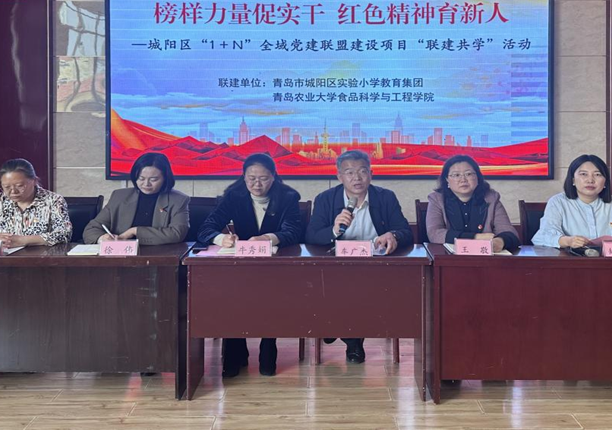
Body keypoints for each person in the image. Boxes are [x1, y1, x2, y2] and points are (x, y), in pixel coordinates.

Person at [198, 153, 304, 378]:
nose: (257, 184)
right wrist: (221, 238)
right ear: (244, 177)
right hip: (241, 265)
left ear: (273, 177)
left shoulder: (288, 197)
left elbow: (294, 232)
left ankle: (268, 347)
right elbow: (206, 228)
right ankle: (235, 350)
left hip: (275, 267)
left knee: (271, 296)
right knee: (231, 296)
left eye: (263, 179)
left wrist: (269, 238)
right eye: (251, 179)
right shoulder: (234, 195)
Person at [305, 149, 413, 364]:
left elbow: (406, 232)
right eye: (350, 172)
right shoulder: (325, 199)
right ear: (339, 177)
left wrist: (393, 235)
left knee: (357, 289)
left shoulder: (386, 197)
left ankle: (343, 333)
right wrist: (333, 230)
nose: (357, 178)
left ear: (371, 174)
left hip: (375, 265)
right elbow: (311, 236)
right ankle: (347, 335)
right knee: (342, 287)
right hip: (337, 266)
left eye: (362, 171)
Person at [532, 154, 612, 249]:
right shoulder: (558, 202)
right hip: (570, 264)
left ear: (605, 182)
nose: (590, 180)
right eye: (583, 174)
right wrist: (568, 241)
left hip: (608, 264)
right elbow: (542, 236)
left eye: (597, 175)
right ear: (573, 180)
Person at [83, 152, 189, 245]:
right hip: (121, 256)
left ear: (165, 178)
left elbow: (177, 233)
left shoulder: (178, 200)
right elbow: (91, 229)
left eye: (153, 179)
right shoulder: (119, 196)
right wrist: (102, 238)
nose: (146, 184)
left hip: (159, 256)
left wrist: (135, 231)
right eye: (141, 178)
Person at [0, 158, 72, 247]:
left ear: (34, 181)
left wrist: (24, 240)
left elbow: (64, 233)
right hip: (4, 262)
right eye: (6, 187)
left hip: (42, 260)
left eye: (20, 186)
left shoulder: (53, 200)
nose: (13, 191)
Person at [425, 155, 520, 252]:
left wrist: (501, 241)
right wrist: (475, 237)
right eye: (456, 175)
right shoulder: (437, 199)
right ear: (447, 179)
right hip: (448, 257)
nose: (463, 180)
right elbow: (434, 233)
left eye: (469, 174)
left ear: (477, 177)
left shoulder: (491, 199)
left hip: (485, 257)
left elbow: (510, 233)